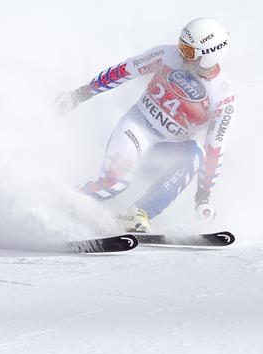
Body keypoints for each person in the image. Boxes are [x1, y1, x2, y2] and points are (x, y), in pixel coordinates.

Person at [55, 17, 236, 233]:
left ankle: (138, 214)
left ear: (208, 55)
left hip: (165, 152)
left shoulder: (222, 96)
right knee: (114, 185)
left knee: (195, 155)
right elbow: (124, 71)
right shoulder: (167, 55)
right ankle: (62, 203)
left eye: (188, 51)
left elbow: (214, 149)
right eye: (181, 45)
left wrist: (203, 198)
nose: (181, 54)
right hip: (137, 129)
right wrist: (79, 95)